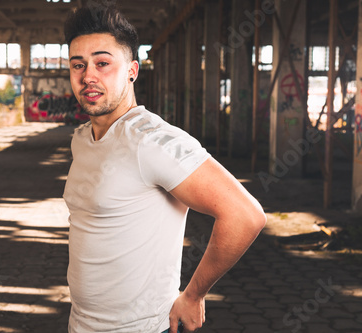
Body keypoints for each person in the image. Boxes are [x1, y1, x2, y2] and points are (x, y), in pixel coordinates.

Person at [62, 4, 266, 333]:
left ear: (132, 70)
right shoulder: (82, 139)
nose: (88, 76)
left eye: (102, 63)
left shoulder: (152, 140)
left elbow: (245, 215)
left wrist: (194, 294)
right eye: (77, 65)